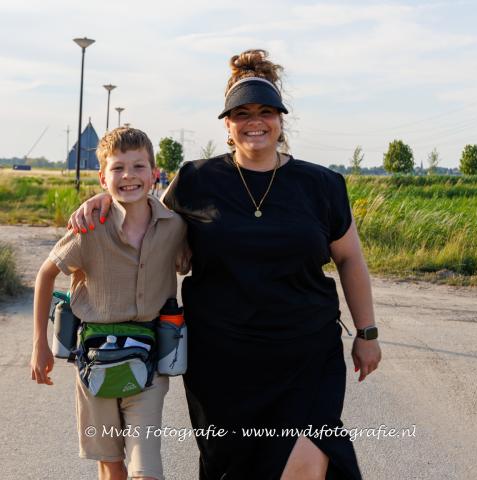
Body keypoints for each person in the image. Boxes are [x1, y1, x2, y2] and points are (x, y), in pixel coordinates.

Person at [68, 50, 381, 480]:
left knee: (308, 459)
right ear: (228, 125)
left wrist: (366, 332)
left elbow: (350, 260)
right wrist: (109, 196)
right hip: (222, 358)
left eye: (266, 111)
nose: (256, 121)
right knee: (234, 467)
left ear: (280, 120)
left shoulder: (322, 185)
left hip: (306, 352)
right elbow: (146, 217)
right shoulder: (197, 179)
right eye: (242, 113)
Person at [31, 127, 186, 480]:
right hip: (94, 363)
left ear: (154, 173)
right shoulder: (89, 227)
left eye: (139, 167)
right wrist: (39, 343)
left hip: (150, 364)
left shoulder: (176, 227)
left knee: (145, 470)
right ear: (103, 177)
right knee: (111, 465)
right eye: (118, 168)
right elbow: (45, 274)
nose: (129, 176)